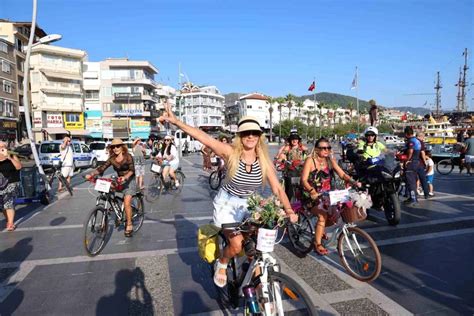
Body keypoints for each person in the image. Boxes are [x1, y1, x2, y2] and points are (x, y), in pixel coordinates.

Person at [158, 104, 297, 288]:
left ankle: (261, 287)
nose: (250, 136)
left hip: (249, 204)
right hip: (227, 204)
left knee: (256, 245)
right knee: (237, 244)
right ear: (239, 136)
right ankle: (222, 263)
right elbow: (203, 138)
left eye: (254, 133)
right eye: (246, 133)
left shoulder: (263, 160)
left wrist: (288, 210)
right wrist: (176, 122)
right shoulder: (231, 153)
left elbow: (278, 190)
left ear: (259, 136)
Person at [301, 137, 359, 255]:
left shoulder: (329, 160)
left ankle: (320, 229)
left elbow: (342, 174)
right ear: (317, 149)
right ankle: (317, 244)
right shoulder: (310, 161)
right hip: (311, 195)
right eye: (323, 148)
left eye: (328, 148)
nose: (326, 150)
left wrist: (353, 182)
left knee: (335, 216)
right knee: (322, 216)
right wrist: (312, 192)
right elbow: (304, 180)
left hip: (328, 195)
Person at [86, 138, 136, 237]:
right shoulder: (112, 158)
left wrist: (125, 177)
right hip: (119, 180)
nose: (116, 148)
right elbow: (102, 168)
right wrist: (92, 174)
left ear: (122, 147)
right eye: (113, 147)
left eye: (118, 146)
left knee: (126, 202)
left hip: (130, 180)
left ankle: (129, 223)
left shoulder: (128, 156)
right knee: (107, 191)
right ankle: (117, 211)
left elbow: (132, 170)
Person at [278, 131, 308, 201]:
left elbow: (310, 156)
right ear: (290, 140)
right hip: (290, 170)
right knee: (289, 190)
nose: (294, 140)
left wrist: (306, 161)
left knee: (302, 188)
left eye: (296, 139)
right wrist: (281, 159)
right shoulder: (288, 148)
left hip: (300, 171)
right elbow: (282, 155)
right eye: (292, 139)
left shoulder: (302, 147)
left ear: (298, 140)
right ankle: (288, 202)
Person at [403, 126, 429, 205]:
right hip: (417, 162)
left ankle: (413, 198)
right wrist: (424, 162)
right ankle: (425, 194)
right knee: (421, 179)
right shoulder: (417, 141)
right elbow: (422, 152)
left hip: (412, 163)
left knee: (411, 181)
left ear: (406, 134)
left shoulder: (411, 141)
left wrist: (408, 160)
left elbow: (411, 151)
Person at [0, 141, 22, 231]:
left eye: (3, 146)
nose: (1, 148)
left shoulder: (12, 155)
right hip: (1, 184)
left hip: (12, 182)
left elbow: (19, 167)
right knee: (2, 205)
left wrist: (9, 158)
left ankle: (10, 223)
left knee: (8, 202)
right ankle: (8, 220)